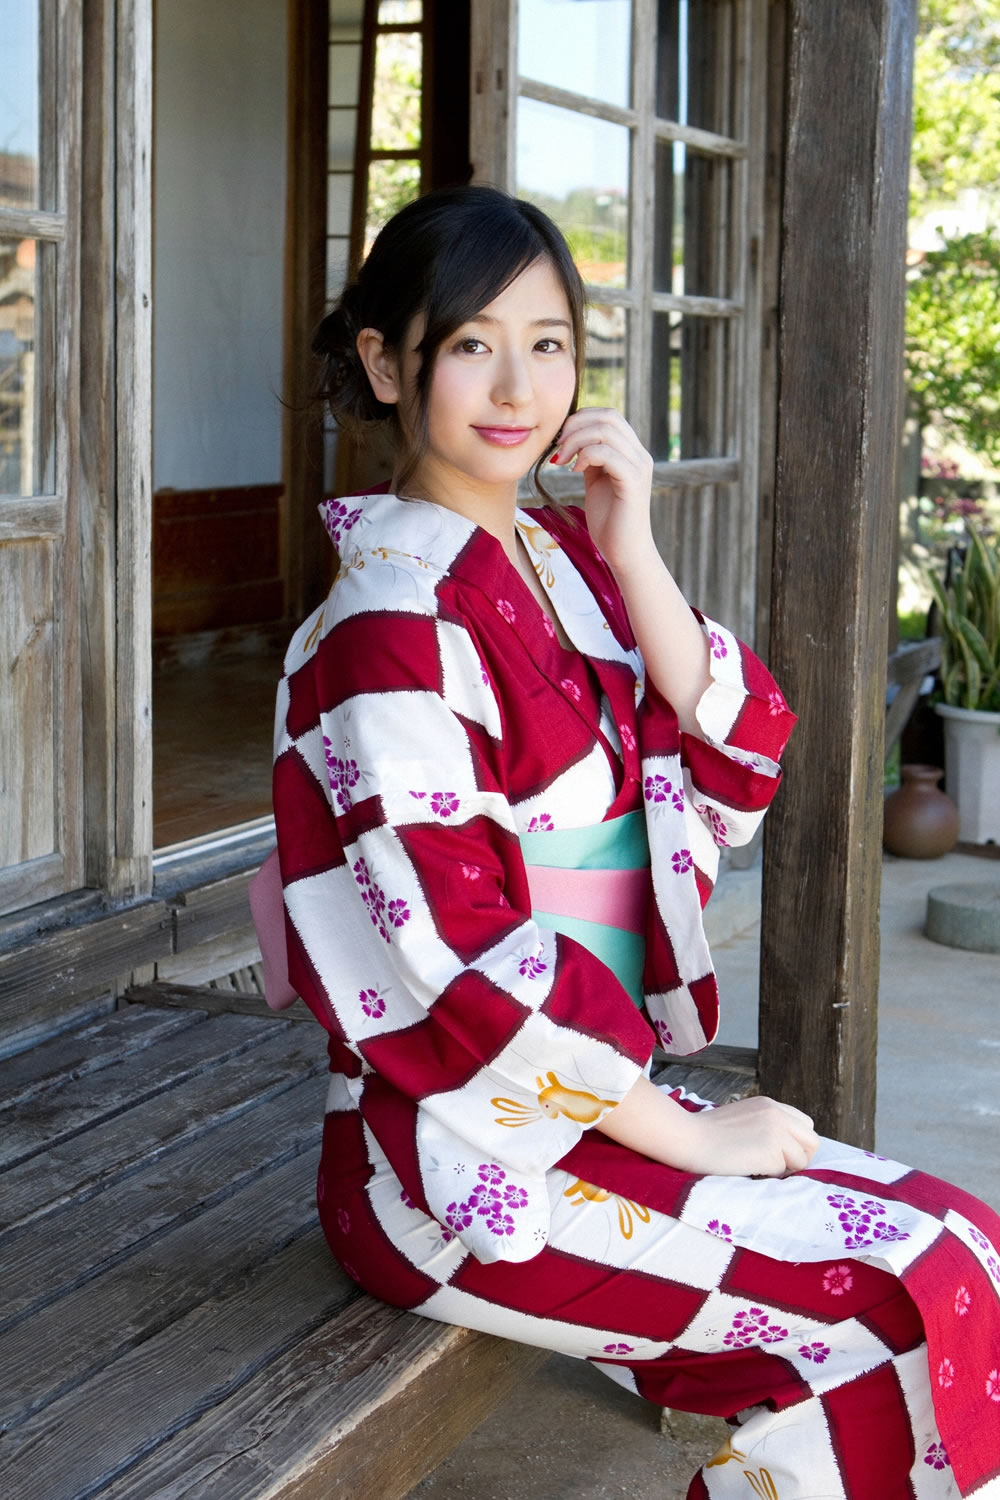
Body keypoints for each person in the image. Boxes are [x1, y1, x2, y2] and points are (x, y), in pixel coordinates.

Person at [267, 185, 1000, 1498]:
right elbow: (459, 964)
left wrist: (633, 541)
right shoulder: (390, 628)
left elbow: (736, 763)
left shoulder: (554, 563)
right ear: (385, 362)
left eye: (549, 343)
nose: (518, 384)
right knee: (898, 1301)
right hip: (451, 1153)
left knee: (965, 1248)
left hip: (578, 1103)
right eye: (472, 342)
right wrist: (687, 1132)